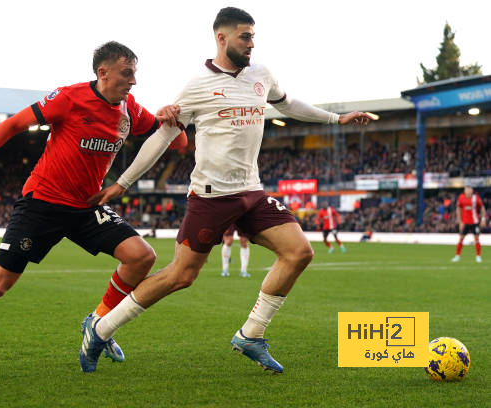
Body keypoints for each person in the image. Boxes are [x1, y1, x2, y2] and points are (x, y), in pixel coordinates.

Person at [81, 7, 375, 373]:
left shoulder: (261, 75)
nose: (252, 43)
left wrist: (336, 118)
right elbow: (162, 138)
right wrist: (122, 183)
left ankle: (251, 334)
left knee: (299, 252)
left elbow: (287, 103)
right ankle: (101, 328)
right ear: (222, 38)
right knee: (181, 276)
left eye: (253, 36)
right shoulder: (197, 85)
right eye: (245, 36)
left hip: (251, 192)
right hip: (210, 196)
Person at [0, 41, 185, 376]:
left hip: (86, 207)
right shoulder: (69, 98)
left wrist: (171, 120)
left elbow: (178, 143)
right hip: (42, 204)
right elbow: (14, 124)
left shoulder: (130, 109)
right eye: (127, 73)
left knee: (141, 256)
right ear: (103, 72)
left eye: (135, 73)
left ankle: (98, 322)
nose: (133, 81)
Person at [452, 186, 487, 263]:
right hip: (465, 222)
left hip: (475, 222)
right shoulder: (461, 197)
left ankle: (478, 256)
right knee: (461, 239)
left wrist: (483, 219)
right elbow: (458, 208)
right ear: (464, 191)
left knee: (477, 239)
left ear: (472, 191)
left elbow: (482, 208)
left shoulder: (476, 198)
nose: (468, 192)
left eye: (469, 190)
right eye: (466, 190)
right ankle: (457, 256)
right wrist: (460, 221)